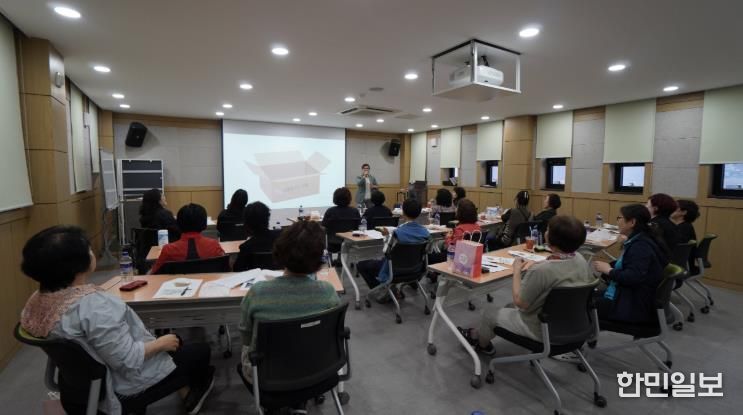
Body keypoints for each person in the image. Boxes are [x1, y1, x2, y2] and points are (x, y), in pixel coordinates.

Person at [20, 226, 214, 415]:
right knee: (200, 351)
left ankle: (184, 390)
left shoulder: (36, 301)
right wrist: (161, 343)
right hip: (118, 387)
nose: (92, 252)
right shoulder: (94, 306)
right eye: (88, 249)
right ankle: (190, 394)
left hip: (76, 388)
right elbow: (127, 360)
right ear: (78, 264)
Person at [457, 216, 595, 355]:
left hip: (543, 330)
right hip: (575, 326)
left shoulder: (541, 271)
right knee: (509, 306)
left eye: (548, 230)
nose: (546, 232)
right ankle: (478, 334)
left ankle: (482, 346)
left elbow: (520, 302)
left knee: (489, 313)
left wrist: (517, 271)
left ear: (551, 238)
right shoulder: (580, 260)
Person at [238, 221, 341, 384]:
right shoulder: (328, 291)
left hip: (269, 376)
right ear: (319, 258)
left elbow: (246, 337)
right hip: (317, 368)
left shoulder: (257, 292)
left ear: (279, 252)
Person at [592, 204, 669, 324]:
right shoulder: (642, 239)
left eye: (620, 218)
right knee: (585, 296)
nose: (618, 221)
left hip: (631, 305)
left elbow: (633, 277)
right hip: (630, 295)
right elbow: (629, 265)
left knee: (579, 304)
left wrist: (608, 270)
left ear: (632, 222)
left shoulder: (641, 246)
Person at [357, 199, 430, 299]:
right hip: (416, 270)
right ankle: (389, 289)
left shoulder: (398, 233)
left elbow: (386, 251)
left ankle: (384, 291)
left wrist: (387, 236)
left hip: (394, 270)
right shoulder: (425, 232)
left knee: (361, 265)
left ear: (403, 212)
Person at [150, 203, 225, 274]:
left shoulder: (168, 249)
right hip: (208, 282)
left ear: (178, 223)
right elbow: (225, 268)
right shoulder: (214, 245)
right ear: (204, 223)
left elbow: (154, 273)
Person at [233, 201, 280, 272]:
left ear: (247, 222)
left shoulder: (246, 247)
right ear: (267, 218)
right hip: (279, 277)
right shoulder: (280, 240)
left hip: (254, 278)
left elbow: (237, 270)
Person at [672, 199, 701, 274]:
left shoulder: (684, 229)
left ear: (683, 212)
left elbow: (675, 248)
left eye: (674, 207)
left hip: (682, 266)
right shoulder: (685, 226)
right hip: (684, 264)